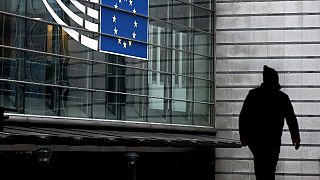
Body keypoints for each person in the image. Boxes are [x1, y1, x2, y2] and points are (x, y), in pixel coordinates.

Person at [239, 65, 301, 180]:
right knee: (270, 170)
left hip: (256, 140)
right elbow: (291, 118)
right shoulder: (282, 98)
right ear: (275, 80)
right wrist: (295, 137)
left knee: (260, 169)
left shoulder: (253, 95)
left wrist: (244, 136)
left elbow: (244, 117)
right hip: (273, 140)